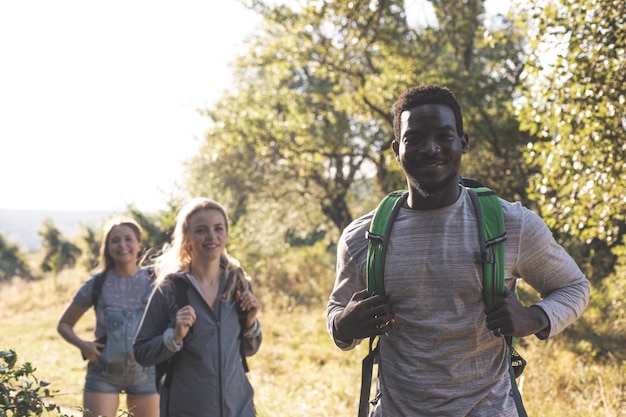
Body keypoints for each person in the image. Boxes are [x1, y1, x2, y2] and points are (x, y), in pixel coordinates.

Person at [326, 84, 590, 417]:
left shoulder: (513, 225)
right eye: (415, 139)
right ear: (397, 149)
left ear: (462, 143)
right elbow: (337, 307)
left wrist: (533, 318)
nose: (431, 148)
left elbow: (574, 287)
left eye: (444, 136)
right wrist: (341, 325)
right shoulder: (361, 237)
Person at [133, 197, 262, 417]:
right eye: (201, 230)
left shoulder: (238, 283)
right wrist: (173, 337)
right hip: (186, 410)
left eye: (218, 228)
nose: (212, 236)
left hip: (238, 409)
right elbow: (141, 351)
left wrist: (250, 323)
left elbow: (249, 349)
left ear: (226, 234)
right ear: (187, 238)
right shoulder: (171, 288)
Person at [57, 216, 159, 417]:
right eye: (115, 240)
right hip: (103, 374)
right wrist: (84, 345)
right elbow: (64, 324)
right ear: (108, 247)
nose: (122, 245)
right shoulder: (96, 284)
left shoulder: (155, 281)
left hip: (145, 373)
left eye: (128, 239)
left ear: (139, 245)